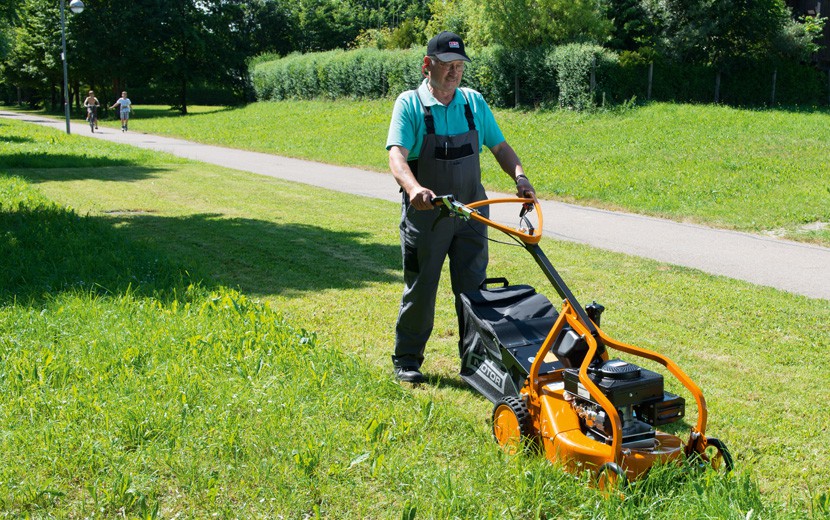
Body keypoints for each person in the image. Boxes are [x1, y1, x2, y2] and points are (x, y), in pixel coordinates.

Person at [386, 31, 536, 383]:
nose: (454, 72)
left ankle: (475, 362)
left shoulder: (473, 103)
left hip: (471, 212)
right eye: (447, 65)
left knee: (474, 290)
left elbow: (499, 147)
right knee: (422, 287)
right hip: (429, 216)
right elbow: (397, 156)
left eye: (459, 66)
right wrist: (413, 188)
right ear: (428, 66)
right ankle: (408, 360)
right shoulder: (410, 104)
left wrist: (520, 176)